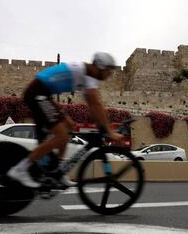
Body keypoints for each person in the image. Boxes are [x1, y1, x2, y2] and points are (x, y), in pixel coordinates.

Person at [7, 52, 125, 188]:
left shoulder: (87, 75)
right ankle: (19, 169)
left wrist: (102, 125)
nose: (110, 75)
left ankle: (57, 171)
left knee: (69, 126)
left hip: (44, 94)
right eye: (109, 71)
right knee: (61, 136)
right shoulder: (87, 75)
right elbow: (95, 104)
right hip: (37, 93)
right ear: (100, 67)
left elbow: (93, 106)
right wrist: (110, 131)